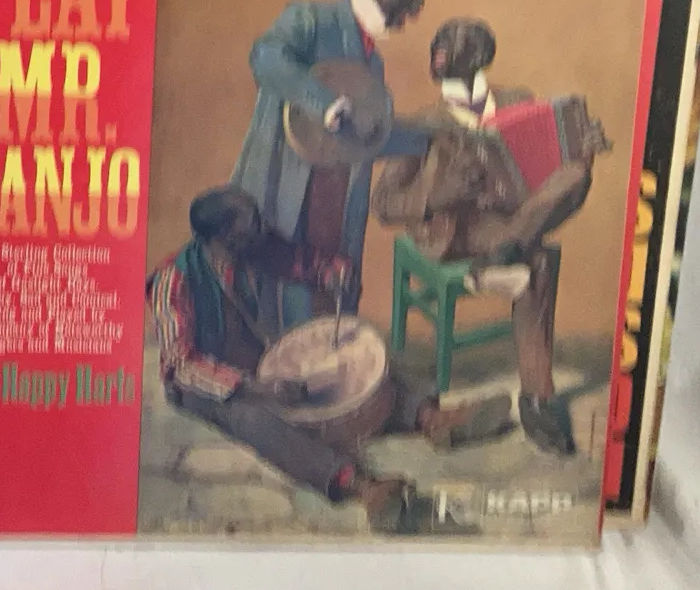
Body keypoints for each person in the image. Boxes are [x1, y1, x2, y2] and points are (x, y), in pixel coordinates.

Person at [147, 186, 513, 534]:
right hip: (207, 384)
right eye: (249, 229)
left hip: (258, 359)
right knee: (257, 420)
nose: (261, 232)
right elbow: (181, 364)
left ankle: (432, 419)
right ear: (222, 238)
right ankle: (363, 487)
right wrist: (256, 388)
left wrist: (333, 272)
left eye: (258, 222)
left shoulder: (251, 244)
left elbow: (297, 260)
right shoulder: (172, 282)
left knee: (353, 356)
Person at [370, 18, 611, 456]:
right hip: (455, 230)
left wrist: (583, 147)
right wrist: (438, 194)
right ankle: (539, 398)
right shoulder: (424, 124)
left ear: (479, 56)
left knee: (576, 173)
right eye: (437, 46)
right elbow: (384, 203)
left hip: (514, 215)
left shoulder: (517, 100)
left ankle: (504, 253)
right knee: (538, 261)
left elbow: (552, 162)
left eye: (451, 45)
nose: (439, 53)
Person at [230, 0, 442, 313]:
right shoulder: (310, 19)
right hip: (282, 217)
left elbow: (368, 137)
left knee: (330, 322)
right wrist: (325, 104)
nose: (419, 4)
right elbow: (265, 57)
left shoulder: (373, 63)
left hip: (337, 224)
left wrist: (432, 138)